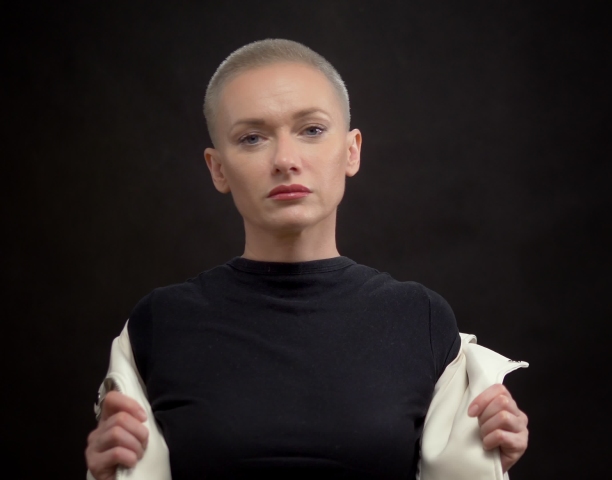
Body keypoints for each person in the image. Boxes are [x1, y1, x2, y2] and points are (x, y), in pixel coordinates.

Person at [84, 39, 529, 480]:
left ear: (351, 150)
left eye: (312, 130)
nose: (285, 160)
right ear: (217, 168)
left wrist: (488, 460)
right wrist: (105, 476)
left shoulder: (421, 319)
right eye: (252, 138)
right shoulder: (160, 324)